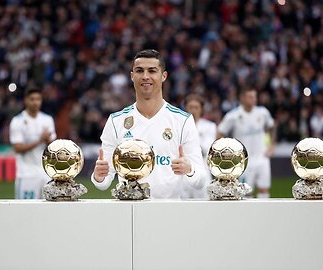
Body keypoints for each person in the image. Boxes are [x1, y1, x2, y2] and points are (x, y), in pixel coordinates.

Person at [91, 49, 206, 199]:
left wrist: (189, 169)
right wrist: (98, 176)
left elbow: (200, 180)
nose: (145, 76)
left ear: (163, 76)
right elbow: (103, 183)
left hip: (170, 212)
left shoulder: (182, 120)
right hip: (131, 212)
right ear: (132, 76)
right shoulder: (116, 121)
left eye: (152, 71)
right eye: (139, 71)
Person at [217, 87, 275, 198]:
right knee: (246, 192)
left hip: (262, 157)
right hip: (244, 161)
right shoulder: (233, 116)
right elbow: (220, 132)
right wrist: (225, 153)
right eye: (250, 97)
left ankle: (264, 213)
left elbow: (272, 127)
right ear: (242, 98)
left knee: (264, 189)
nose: (253, 99)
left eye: (254, 96)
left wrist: (272, 146)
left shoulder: (262, 112)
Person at [9, 86, 57, 199]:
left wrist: (47, 140)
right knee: (25, 210)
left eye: (38, 99)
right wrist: (40, 140)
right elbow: (18, 148)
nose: (35, 102)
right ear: (26, 100)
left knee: (49, 209)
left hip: (46, 173)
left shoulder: (47, 119)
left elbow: (52, 146)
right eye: (32, 99)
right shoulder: (18, 121)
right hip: (26, 173)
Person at [183, 94, 217, 199]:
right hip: (183, 173)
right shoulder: (179, 126)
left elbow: (207, 148)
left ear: (201, 109)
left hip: (202, 169)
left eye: (196, 107)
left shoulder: (210, 126)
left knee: (203, 206)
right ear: (185, 108)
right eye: (190, 107)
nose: (193, 110)